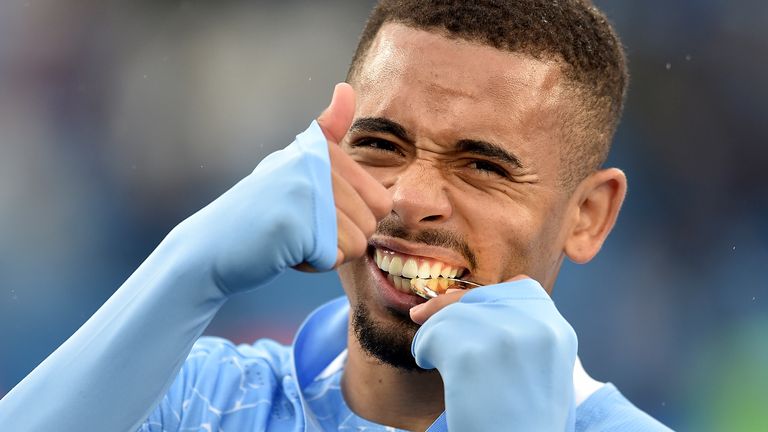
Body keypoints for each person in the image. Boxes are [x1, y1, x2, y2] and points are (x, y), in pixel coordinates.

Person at [0, 1, 673, 431]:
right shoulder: (190, 398)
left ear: (588, 215)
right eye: (382, 144)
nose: (410, 196)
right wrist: (188, 265)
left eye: (482, 166)